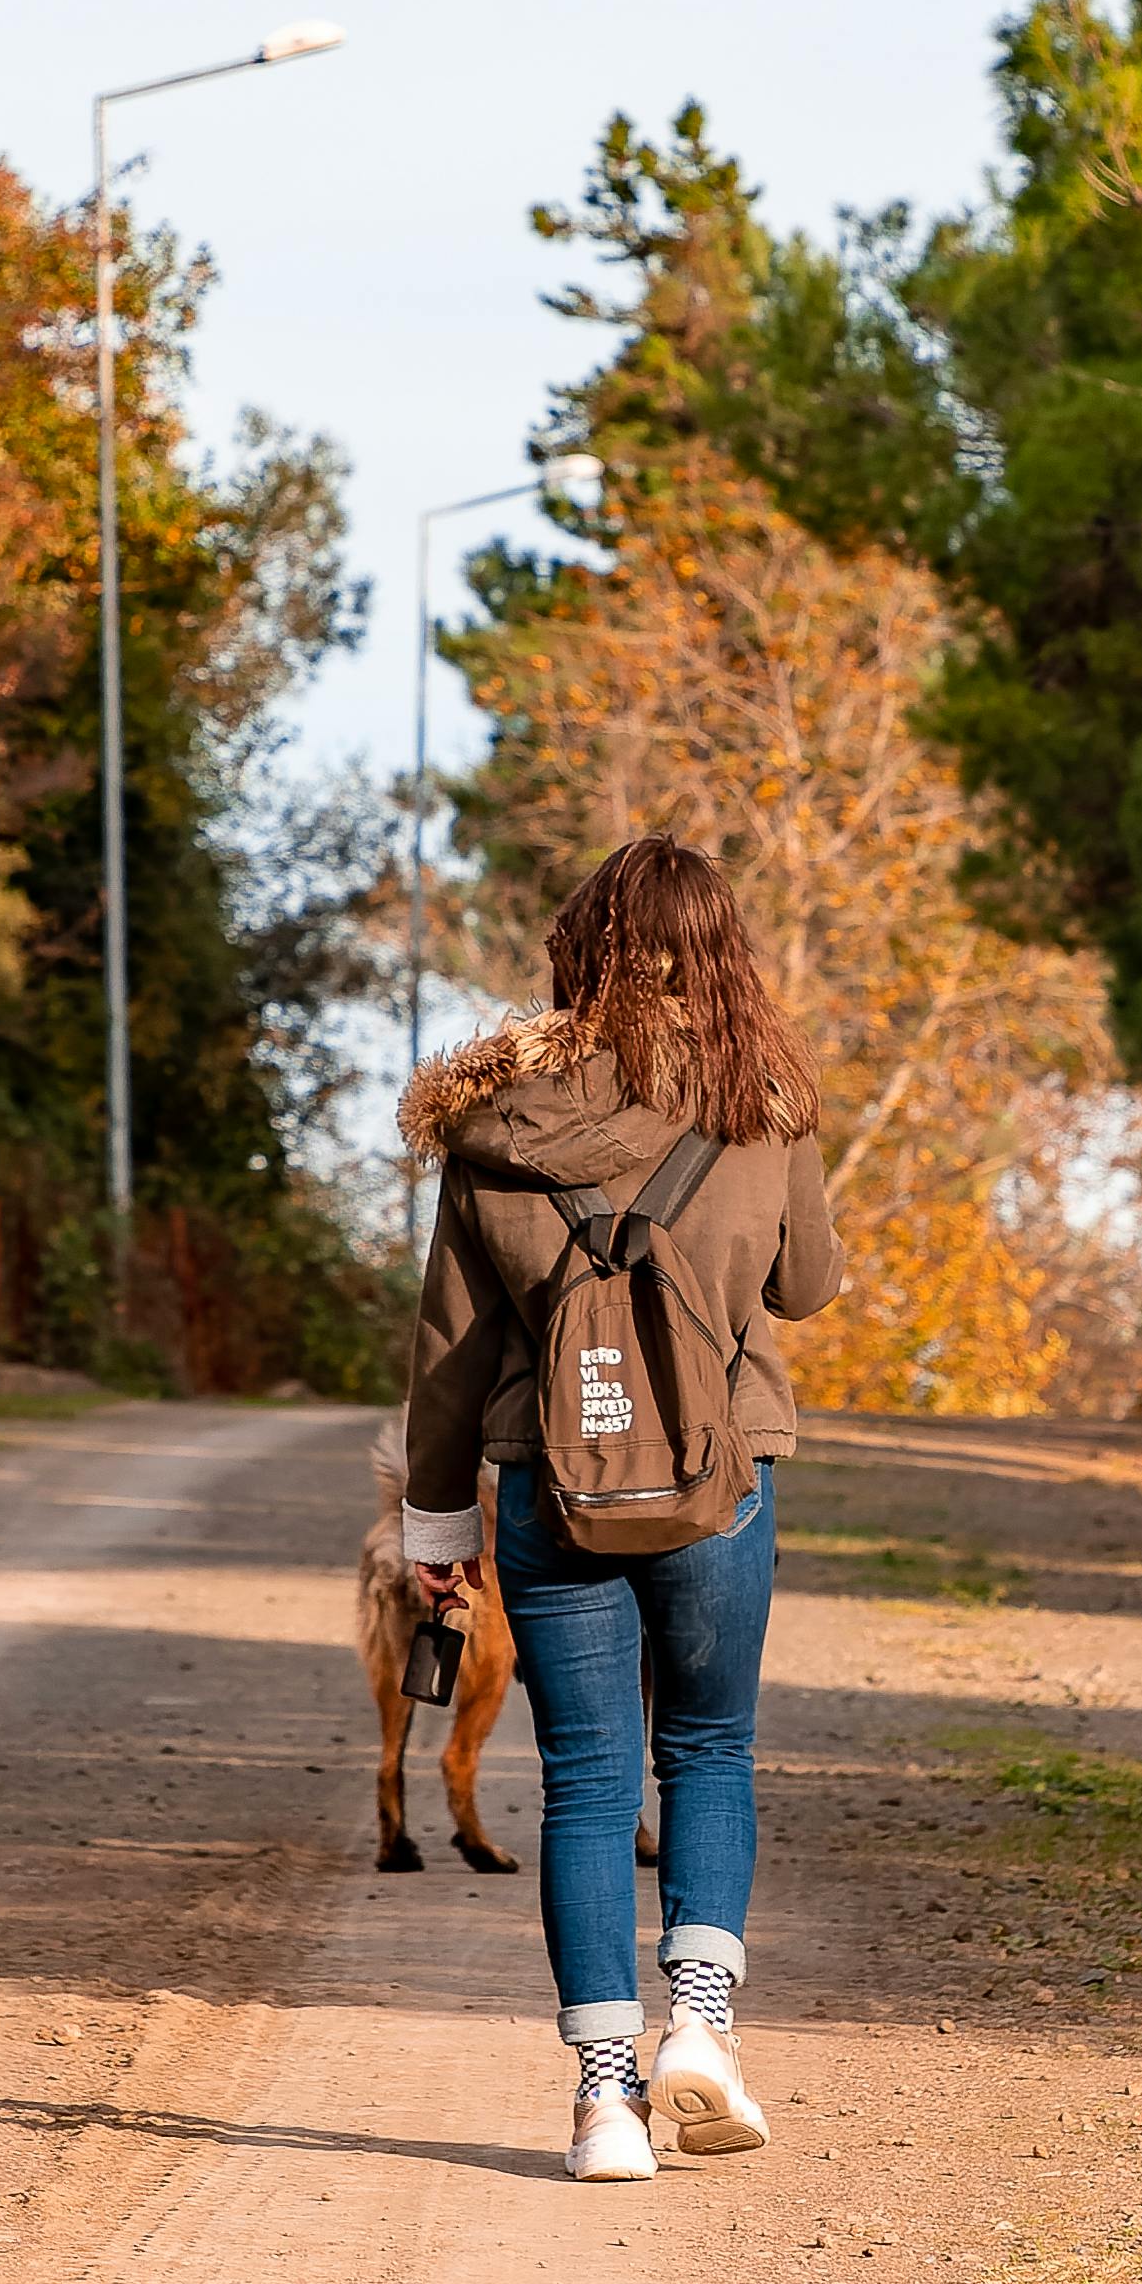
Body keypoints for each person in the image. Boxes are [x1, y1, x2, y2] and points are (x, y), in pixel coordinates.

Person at [398, 832, 841, 2183]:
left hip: (548, 1487)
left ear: (580, 953)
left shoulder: (494, 1129)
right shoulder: (763, 1101)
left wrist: (435, 1527)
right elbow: (808, 1288)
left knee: (587, 1782)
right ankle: (698, 2031)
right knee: (705, 1754)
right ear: (719, 953)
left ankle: (603, 2102)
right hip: (718, 1485)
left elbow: (452, 1350)